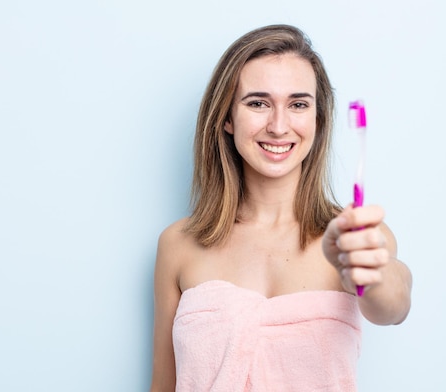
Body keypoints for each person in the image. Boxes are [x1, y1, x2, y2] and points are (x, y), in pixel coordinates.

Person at [150, 24, 412, 391]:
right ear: (227, 117)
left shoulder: (357, 239)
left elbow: (394, 304)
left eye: (298, 104)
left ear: (318, 120)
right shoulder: (177, 245)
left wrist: (373, 274)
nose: (278, 126)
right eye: (258, 103)